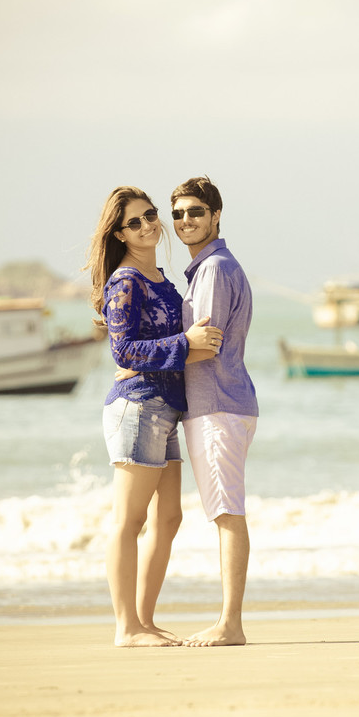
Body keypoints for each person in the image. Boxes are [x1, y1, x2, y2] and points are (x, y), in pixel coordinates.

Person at [86, 186, 223, 647]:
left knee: (168, 520)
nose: (147, 226)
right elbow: (122, 351)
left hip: (167, 407)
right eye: (134, 222)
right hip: (138, 405)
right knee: (129, 520)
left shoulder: (162, 279)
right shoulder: (125, 282)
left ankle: (144, 620)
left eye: (150, 216)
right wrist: (187, 343)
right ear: (119, 234)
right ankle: (126, 628)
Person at [171, 176, 259, 647]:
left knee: (227, 512)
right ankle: (230, 621)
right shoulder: (208, 269)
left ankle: (230, 624)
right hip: (220, 404)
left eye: (196, 212)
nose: (186, 221)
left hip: (218, 405)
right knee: (225, 510)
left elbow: (204, 345)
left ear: (216, 216)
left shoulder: (215, 270)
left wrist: (139, 361)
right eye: (179, 214)